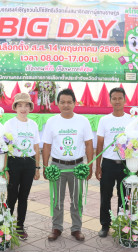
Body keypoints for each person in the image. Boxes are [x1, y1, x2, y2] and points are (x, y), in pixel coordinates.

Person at [42, 89, 93, 242]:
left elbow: (89, 144)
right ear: (57, 104)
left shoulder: (83, 121)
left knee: (76, 199)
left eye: (69, 102)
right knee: (57, 199)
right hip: (57, 166)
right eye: (62, 102)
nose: (66, 105)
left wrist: (90, 166)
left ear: (74, 103)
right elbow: (46, 145)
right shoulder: (52, 121)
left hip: (77, 167)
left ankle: (76, 228)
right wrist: (46, 167)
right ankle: (57, 227)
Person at [95, 87, 133, 237]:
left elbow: (136, 142)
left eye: (120, 98)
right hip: (109, 164)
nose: (117, 101)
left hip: (126, 164)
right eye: (114, 98)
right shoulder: (104, 120)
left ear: (124, 100)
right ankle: (105, 225)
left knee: (124, 196)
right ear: (110, 100)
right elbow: (99, 144)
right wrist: (97, 167)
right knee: (105, 195)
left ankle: (122, 223)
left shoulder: (131, 119)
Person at [4, 93, 40, 240]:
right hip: (14, 162)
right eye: (20, 105)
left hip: (29, 163)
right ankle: (5, 226)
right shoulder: (9, 124)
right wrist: (5, 169)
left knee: (24, 197)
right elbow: (4, 147)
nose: (23, 108)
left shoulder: (33, 124)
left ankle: (20, 227)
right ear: (15, 108)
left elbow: (37, 147)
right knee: (11, 196)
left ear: (30, 108)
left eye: (26, 105)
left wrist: (37, 168)